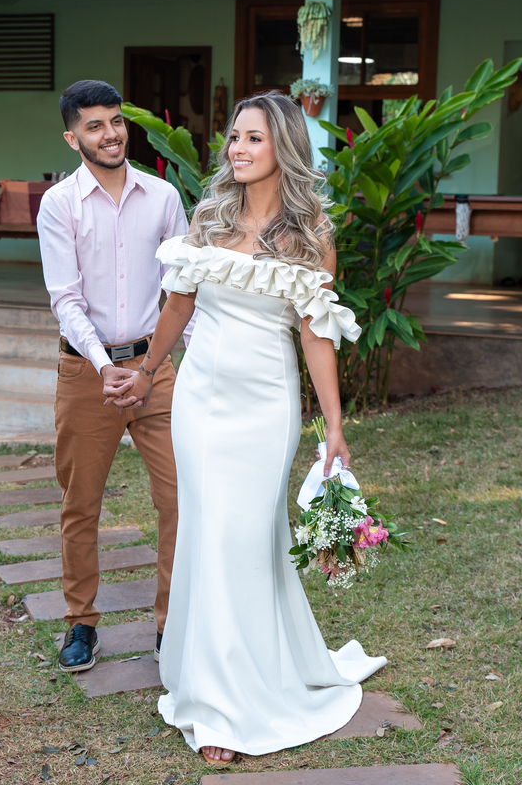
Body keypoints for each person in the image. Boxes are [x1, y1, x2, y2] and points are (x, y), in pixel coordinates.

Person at [104, 91, 386, 763]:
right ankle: (211, 693)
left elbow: (317, 336)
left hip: (266, 404)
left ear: (281, 146)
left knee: (245, 539)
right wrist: (146, 372)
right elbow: (177, 307)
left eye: (253, 139)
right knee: (207, 534)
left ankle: (243, 697)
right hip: (200, 398)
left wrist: (335, 429)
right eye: (233, 137)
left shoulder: (311, 235)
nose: (237, 149)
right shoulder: (209, 218)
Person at [37, 80, 189, 673]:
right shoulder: (59, 204)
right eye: (95, 126)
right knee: (82, 503)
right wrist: (106, 367)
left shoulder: (163, 197)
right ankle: (81, 622)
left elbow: (181, 291)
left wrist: (162, 366)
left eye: (117, 121)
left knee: (180, 498)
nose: (111, 134)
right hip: (86, 373)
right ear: (73, 137)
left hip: (158, 369)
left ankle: (171, 624)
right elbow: (64, 298)